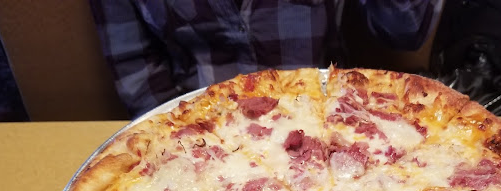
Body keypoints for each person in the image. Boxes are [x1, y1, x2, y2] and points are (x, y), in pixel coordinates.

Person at [90, 0, 444, 117]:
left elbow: (407, 31)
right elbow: (134, 66)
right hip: (204, 123)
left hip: (334, 115)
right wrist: (184, 138)